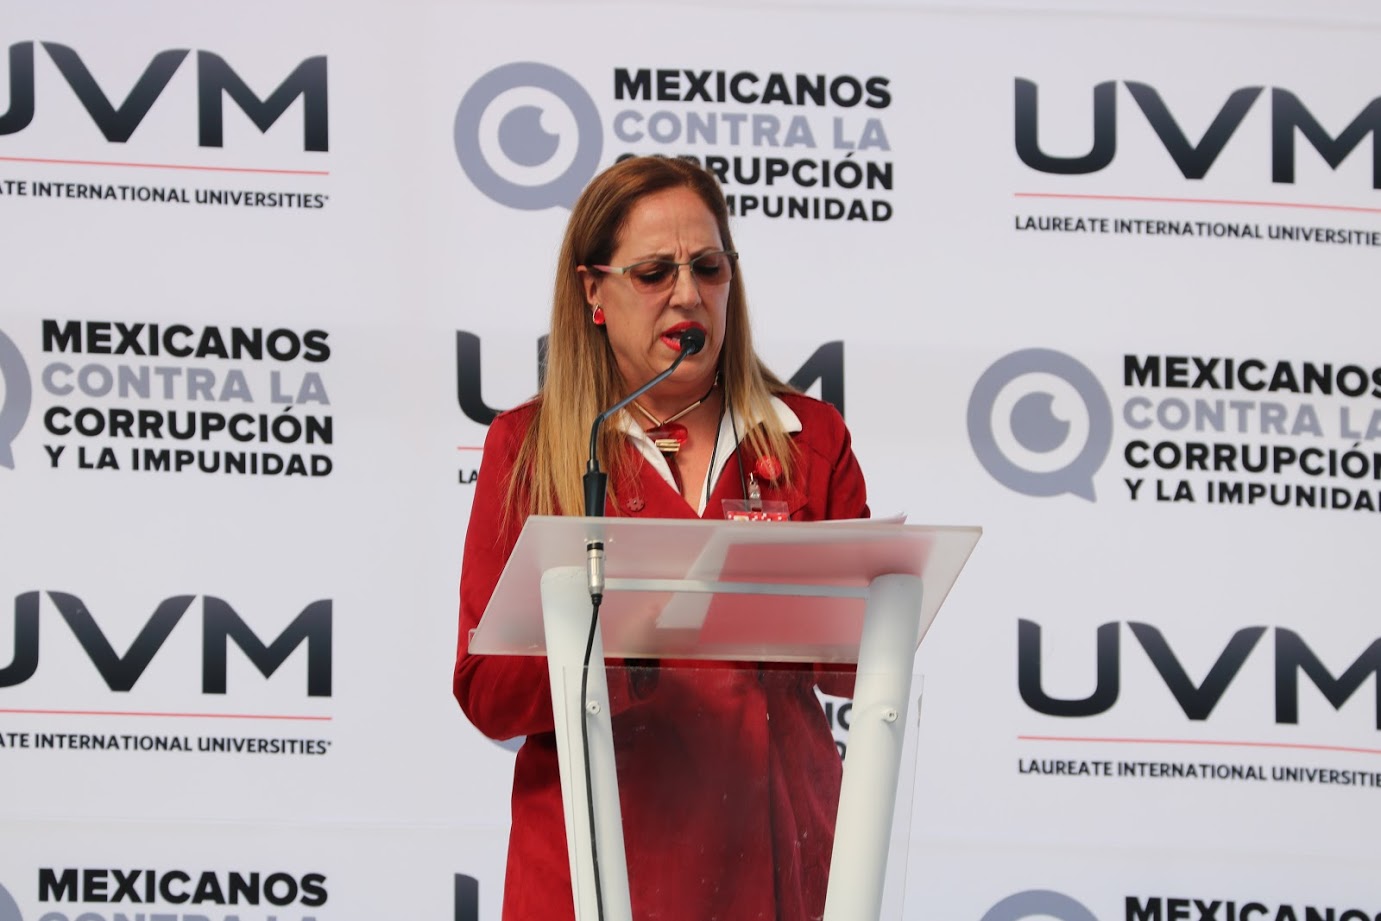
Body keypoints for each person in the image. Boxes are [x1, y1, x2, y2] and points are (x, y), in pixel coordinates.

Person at [453, 156, 869, 921]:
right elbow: (487, 691)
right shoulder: (534, 447)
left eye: (708, 267)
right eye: (652, 273)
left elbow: (855, 670)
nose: (687, 293)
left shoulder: (809, 436)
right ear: (593, 290)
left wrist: (861, 619)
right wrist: (615, 635)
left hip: (780, 867)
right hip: (601, 872)